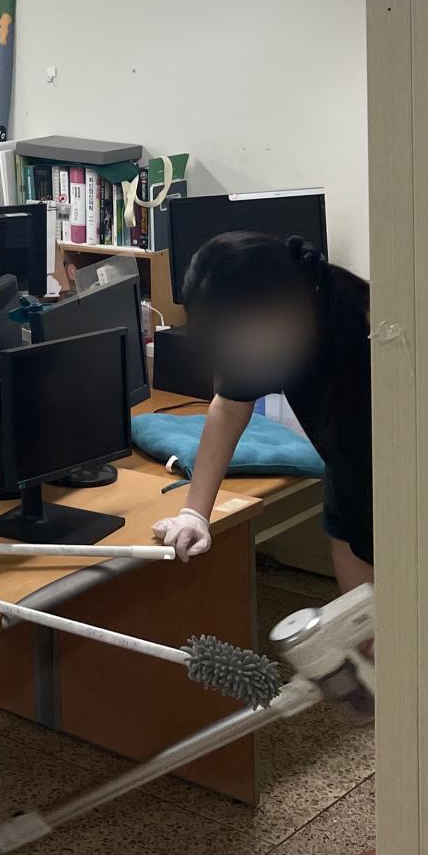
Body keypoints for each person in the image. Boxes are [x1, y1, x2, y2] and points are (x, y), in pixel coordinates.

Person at [153, 233, 373, 592]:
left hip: (406, 488)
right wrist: (194, 513)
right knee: (366, 624)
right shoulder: (266, 336)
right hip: (350, 499)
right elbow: (228, 409)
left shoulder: (372, 325)